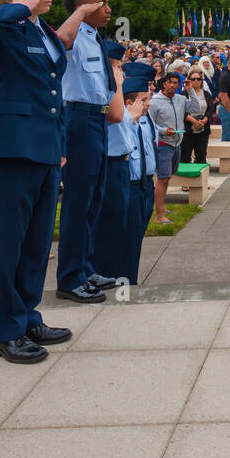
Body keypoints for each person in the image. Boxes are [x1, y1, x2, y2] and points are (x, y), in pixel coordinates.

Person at [0, 0, 78, 365]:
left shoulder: (42, 32)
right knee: (4, 243)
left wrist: (60, 147)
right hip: (8, 148)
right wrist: (17, 8)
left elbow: (52, 92)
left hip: (44, 149)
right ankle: (5, 330)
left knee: (35, 242)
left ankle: (28, 316)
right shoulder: (1, 29)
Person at [55, 0, 123, 304]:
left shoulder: (94, 36)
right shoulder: (73, 34)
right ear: (84, 5)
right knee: (78, 200)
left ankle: (84, 266)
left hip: (96, 121)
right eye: (102, 2)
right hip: (78, 118)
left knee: (94, 197)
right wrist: (79, 14)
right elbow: (59, 42)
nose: (109, 8)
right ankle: (69, 277)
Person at [91, 42, 134, 285]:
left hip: (121, 162)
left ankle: (113, 271)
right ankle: (103, 271)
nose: (122, 72)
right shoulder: (108, 86)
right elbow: (116, 115)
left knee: (118, 224)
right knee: (107, 223)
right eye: (118, 66)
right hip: (110, 161)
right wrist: (116, 83)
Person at [119, 64, 158, 284]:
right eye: (144, 97)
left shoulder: (146, 115)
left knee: (136, 238)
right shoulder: (124, 118)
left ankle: (130, 278)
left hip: (146, 184)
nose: (150, 98)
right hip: (131, 184)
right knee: (126, 239)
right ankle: (125, 282)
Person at [149, 72, 187, 224]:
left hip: (177, 141)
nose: (172, 85)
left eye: (175, 83)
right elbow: (150, 124)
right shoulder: (155, 102)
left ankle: (162, 207)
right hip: (163, 143)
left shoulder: (180, 99)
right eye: (169, 82)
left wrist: (190, 90)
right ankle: (159, 216)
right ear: (164, 83)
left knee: (168, 177)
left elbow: (196, 107)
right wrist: (164, 131)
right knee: (163, 178)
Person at [180, 65, 213, 163]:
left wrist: (205, 120)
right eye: (193, 79)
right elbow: (181, 111)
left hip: (203, 129)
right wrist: (194, 121)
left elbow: (210, 109)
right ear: (188, 80)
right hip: (187, 130)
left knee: (201, 157)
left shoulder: (206, 94)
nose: (196, 81)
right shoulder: (183, 94)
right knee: (184, 157)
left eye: (198, 79)